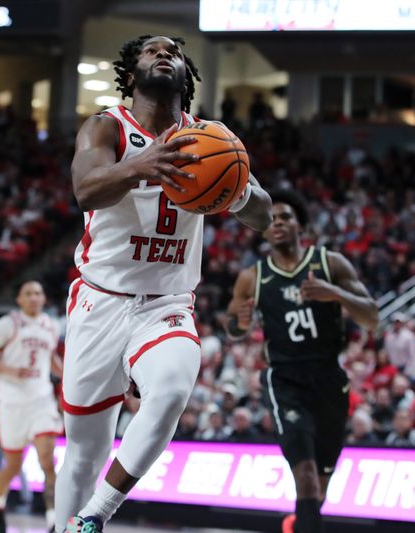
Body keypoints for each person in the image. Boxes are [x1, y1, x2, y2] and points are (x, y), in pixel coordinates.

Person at [58, 35, 271, 533]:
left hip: (166, 303)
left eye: (173, 51)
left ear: (186, 76)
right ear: (131, 74)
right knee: (85, 452)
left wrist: (232, 192)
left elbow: (263, 212)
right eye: (152, 50)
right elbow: (85, 190)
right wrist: (141, 166)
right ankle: (61, 524)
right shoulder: (107, 126)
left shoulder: (211, 139)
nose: (164, 53)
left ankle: (93, 516)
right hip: (100, 302)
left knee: (173, 387)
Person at [225, 189, 378, 533]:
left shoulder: (330, 263)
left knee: (320, 484)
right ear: (263, 230)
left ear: (300, 226)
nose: (277, 223)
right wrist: (241, 323)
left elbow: (371, 317)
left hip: (327, 378)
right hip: (284, 380)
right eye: (272, 219)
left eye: (285, 217)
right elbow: (232, 327)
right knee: (305, 476)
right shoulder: (253, 277)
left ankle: (300, 522)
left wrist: (335, 293)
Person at [0, 280, 62, 533]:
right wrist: (9, 370)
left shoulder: (52, 325)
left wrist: (67, 374)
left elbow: (50, 359)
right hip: (11, 401)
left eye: (38, 293)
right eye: (29, 293)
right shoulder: (8, 323)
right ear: (19, 300)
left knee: (47, 460)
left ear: (44, 298)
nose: (34, 297)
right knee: (14, 465)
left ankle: (53, 519)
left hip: (42, 399)